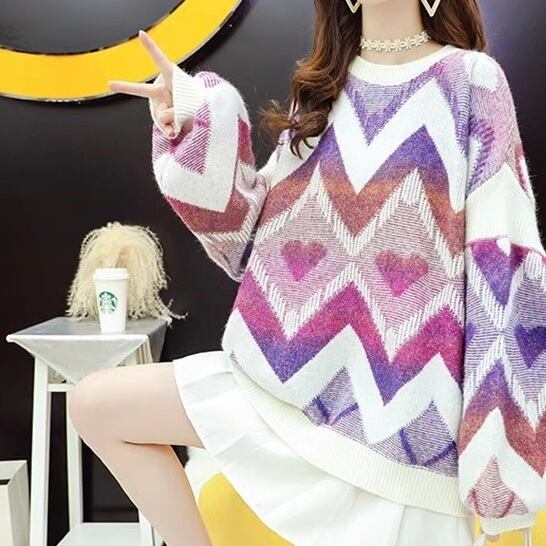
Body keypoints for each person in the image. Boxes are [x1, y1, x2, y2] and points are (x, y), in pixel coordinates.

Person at [68, 1, 545, 545]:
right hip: (284, 397)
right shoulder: (320, 93)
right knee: (94, 404)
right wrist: (197, 118)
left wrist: (498, 475)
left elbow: (505, 274)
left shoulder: (471, 81)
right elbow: (248, 241)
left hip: (405, 439)